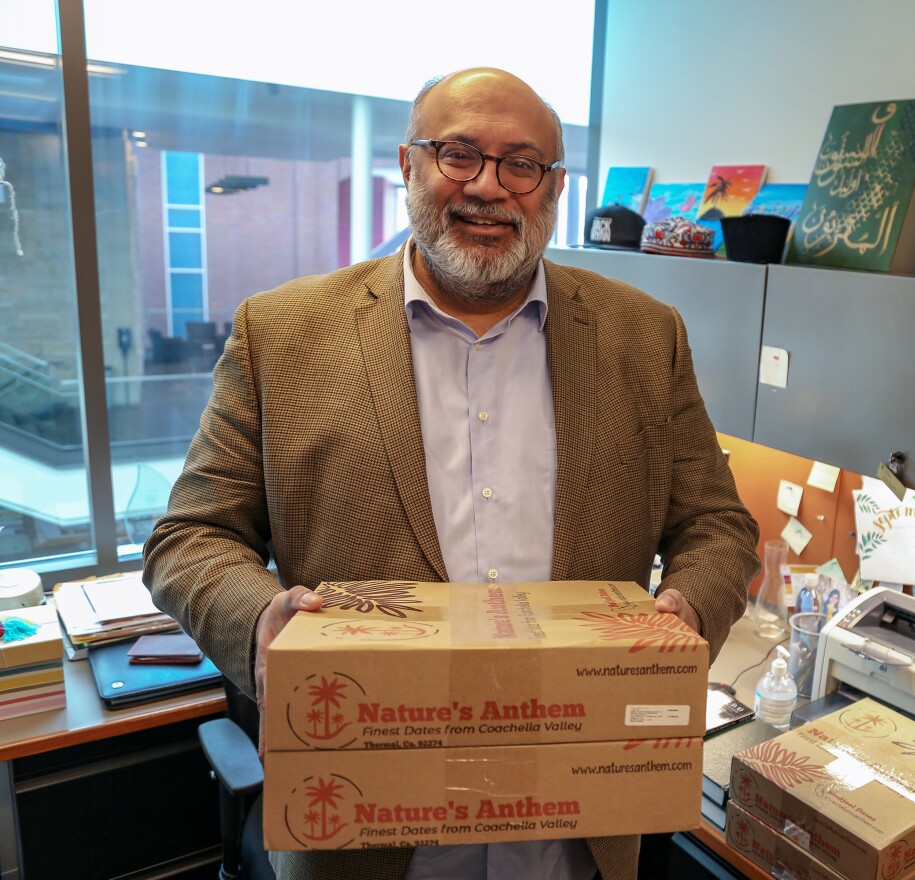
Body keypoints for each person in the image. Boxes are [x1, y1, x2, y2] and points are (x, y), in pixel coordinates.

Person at [143, 67, 760, 880]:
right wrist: (261, 623)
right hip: (363, 840)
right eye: (459, 154)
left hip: (575, 839)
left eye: (521, 164)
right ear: (408, 166)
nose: (488, 188)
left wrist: (686, 614)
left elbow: (718, 527)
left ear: (554, 188)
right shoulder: (281, 336)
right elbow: (191, 537)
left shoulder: (644, 337)